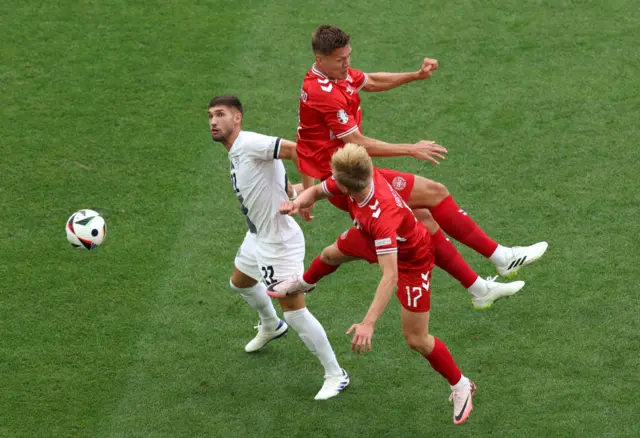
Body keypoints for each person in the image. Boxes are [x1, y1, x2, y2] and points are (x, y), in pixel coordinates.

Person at [293, 24, 547, 308]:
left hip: (354, 171)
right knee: (434, 193)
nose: (347, 63)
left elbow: (372, 81)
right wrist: (411, 148)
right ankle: (501, 257)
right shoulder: (322, 92)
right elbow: (357, 141)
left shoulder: (335, 74)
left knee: (424, 219)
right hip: (349, 181)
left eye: (348, 56)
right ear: (320, 59)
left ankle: (480, 288)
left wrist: (415, 75)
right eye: (341, 60)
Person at [274, 144, 485, 424]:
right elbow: (315, 190)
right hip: (370, 235)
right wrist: (299, 202)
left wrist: (369, 322)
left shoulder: (381, 216)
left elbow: (390, 276)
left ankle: (461, 385)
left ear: (347, 188)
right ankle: (303, 283)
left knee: (417, 339)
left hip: (411, 258)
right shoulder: (361, 178)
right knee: (329, 254)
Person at [208, 94, 348, 400]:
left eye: (220, 114)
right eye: (210, 116)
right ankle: (271, 325)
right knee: (241, 283)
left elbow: (298, 151)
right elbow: (274, 182)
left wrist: (308, 195)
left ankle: (336, 374)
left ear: (237, 118)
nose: (214, 121)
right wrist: (290, 191)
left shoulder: (248, 143)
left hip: (278, 243)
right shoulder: (236, 152)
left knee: (296, 313)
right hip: (257, 236)